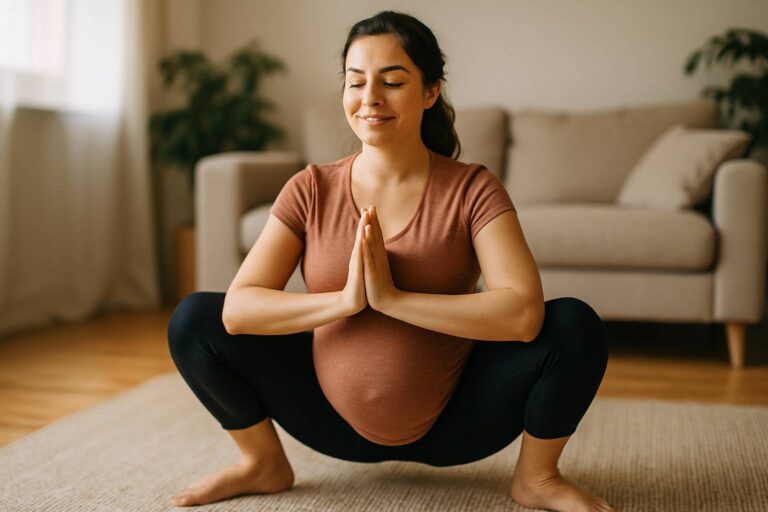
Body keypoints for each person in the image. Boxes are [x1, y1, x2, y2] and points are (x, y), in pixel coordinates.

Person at [167, 10, 614, 511]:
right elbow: (238, 311)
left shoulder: (472, 188)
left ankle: (538, 478)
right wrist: (346, 301)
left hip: (460, 422)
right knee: (193, 320)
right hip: (328, 419)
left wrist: (393, 300)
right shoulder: (311, 187)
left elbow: (524, 314)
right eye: (356, 82)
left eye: (393, 81)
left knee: (575, 323)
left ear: (430, 92)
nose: (370, 98)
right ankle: (263, 463)